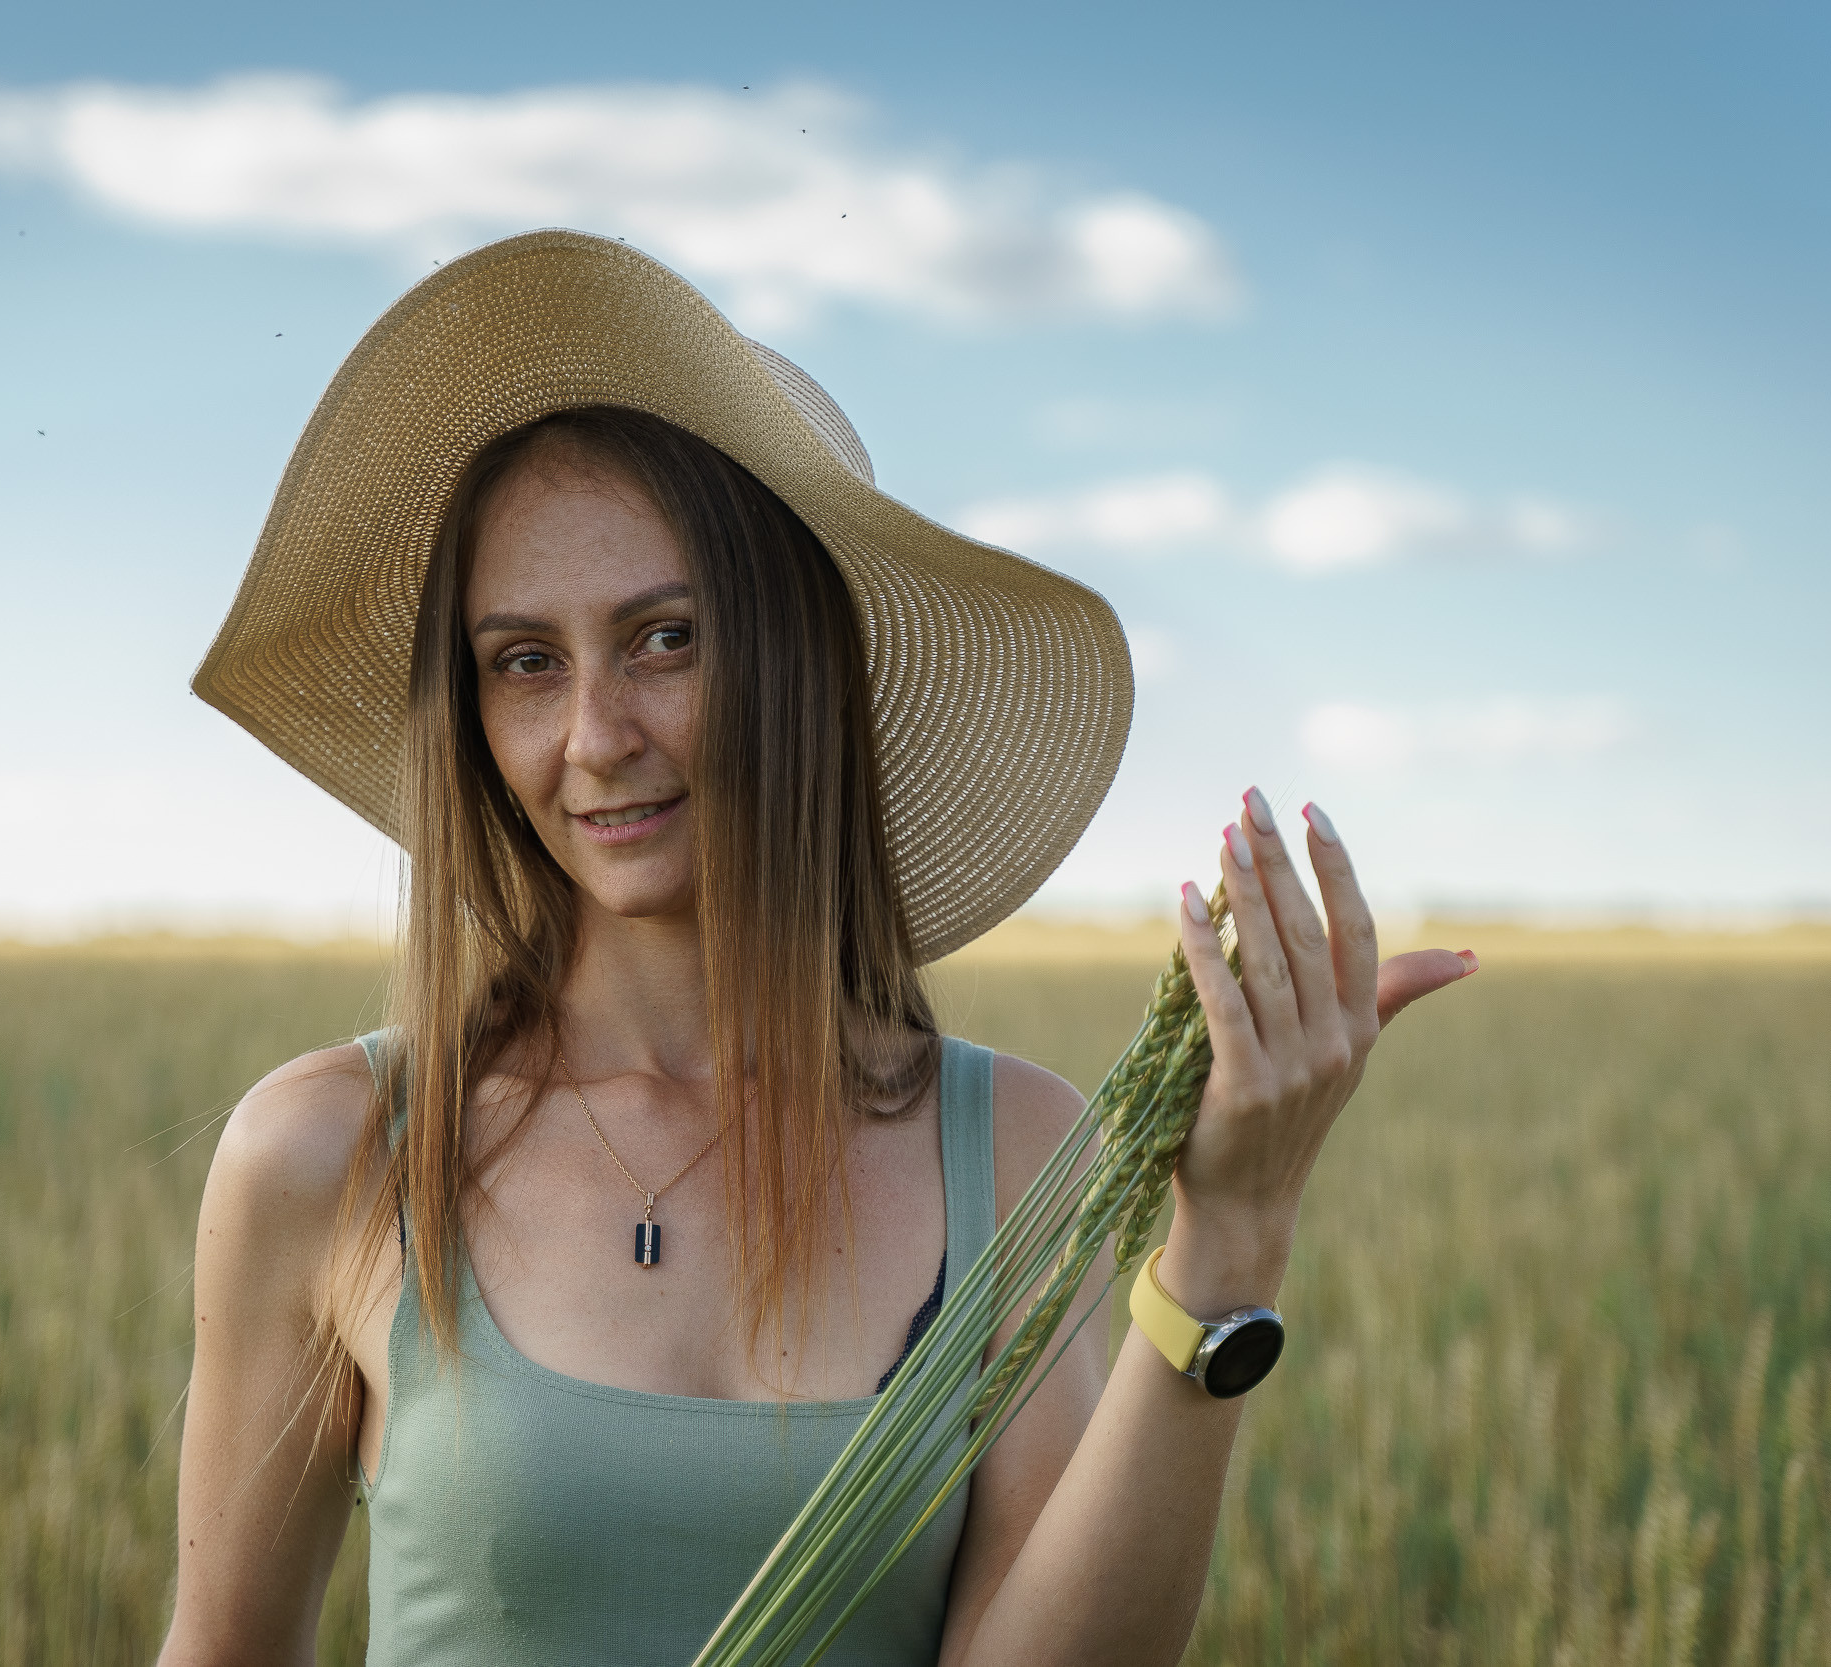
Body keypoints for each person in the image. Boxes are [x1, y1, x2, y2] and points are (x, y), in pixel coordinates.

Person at [158, 230, 1475, 1667]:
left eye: (665, 639)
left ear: (797, 661)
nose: (596, 738)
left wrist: (1230, 1238)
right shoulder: (331, 1154)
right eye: (525, 662)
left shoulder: (1016, 1153)